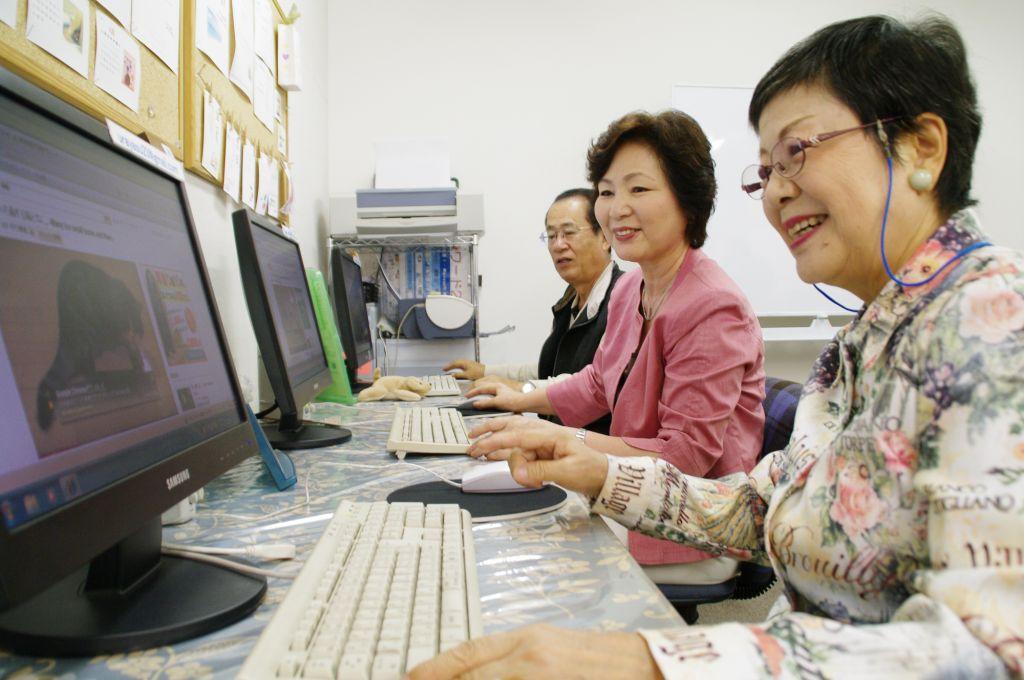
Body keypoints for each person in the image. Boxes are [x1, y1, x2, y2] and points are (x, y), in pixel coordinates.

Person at [409, 15, 1024, 679]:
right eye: (765, 171)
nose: (779, 190)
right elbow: (759, 507)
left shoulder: (993, 327)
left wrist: (662, 661)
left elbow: (989, 652)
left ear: (921, 149)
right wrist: (593, 467)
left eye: (799, 152)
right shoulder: (867, 339)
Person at [465, 110, 766, 586]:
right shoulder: (632, 289)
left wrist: (569, 441)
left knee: (517, 560)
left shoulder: (713, 306)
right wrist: (520, 401)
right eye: (607, 192)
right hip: (627, 496)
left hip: (689, 522)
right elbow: (599, 385)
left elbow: (685, 456)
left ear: (688, 198)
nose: (616, 208)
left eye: (638, 189)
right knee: (500, 531)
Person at [443, 189, 624, 433]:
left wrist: (520, 390)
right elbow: (548, 371)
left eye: (569, 233)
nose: (558, 245)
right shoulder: (569, 303)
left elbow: (592, 384)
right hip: (561, 438)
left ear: (605, 237)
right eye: (550, 236)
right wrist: (485, 371)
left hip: (595, 451)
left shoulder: (623, 298)